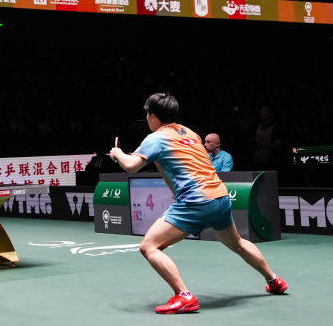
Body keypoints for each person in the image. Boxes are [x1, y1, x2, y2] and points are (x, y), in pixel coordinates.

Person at [108, 92, 288, 314]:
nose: (146, 118)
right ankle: (274, 280)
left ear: (153, 116)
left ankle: (184, 296)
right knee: (238, 243)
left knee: (149, 246)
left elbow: (131, 166)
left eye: (147, 114)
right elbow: (171, 169)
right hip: (220, 196)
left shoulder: (156, 138)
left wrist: (117, 153)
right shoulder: (190, 134)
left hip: (196, 201)